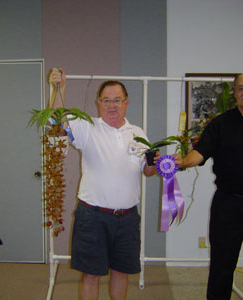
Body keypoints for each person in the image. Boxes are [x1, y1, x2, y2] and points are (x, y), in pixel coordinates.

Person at [49, 68, 158, 300]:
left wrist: (158, 164)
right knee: (91, 275)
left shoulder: (137, 133)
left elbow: (147, 171)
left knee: (121, 272)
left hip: (128, 218)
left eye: (117, 100)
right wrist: (59, 88)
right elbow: (56, 119)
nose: (112, 105)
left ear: (126, 103)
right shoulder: (87, 127)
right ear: (98, 103)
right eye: (106, 100)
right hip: (93, 217)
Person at [174, 72, 243, 300]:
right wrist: (183, 162)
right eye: (241, 88)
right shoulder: (220, 124)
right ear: (234, 93)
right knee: (222, 266)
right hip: (228, 206)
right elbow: (200, 152)